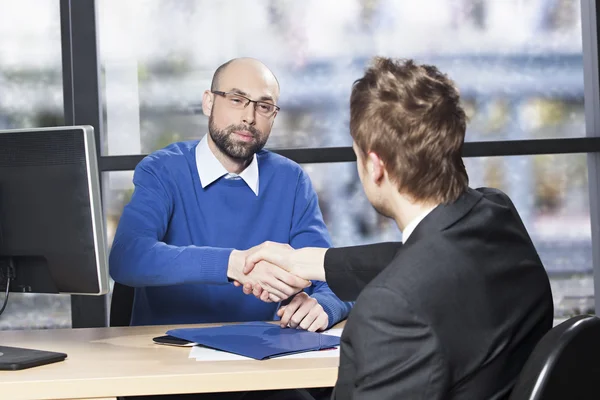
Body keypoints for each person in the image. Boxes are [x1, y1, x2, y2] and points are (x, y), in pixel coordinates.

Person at [241, 57, 554, 399]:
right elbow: (425, 258)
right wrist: (304, 262)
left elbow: (411, 278)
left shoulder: (392, 311)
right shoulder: (496, 213)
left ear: (375, 166)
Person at [109, 57, 352, 333]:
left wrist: (322, 306)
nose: (249, 117)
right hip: (168, 354)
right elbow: (127, 257)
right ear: (208, 102)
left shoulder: (291, 181)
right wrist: (231, 263)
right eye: (237, 99)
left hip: (261, 353)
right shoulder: (163, 170)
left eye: (264, 106)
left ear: (273, 116)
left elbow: (331, 279)